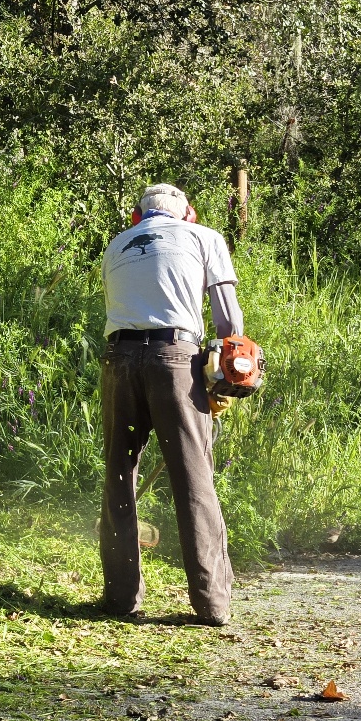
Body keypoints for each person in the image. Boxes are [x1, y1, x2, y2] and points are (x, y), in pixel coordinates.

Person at [98, 183, 243, 625]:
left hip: (118, 360)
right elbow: (227, 321)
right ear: (188, 215)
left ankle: (121, 599)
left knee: (120, 476)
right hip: (174, 359)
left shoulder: (117, 244)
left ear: (138, 218)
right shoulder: (204, 238)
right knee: (194, 479)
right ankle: (212, 603)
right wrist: (227, 367)